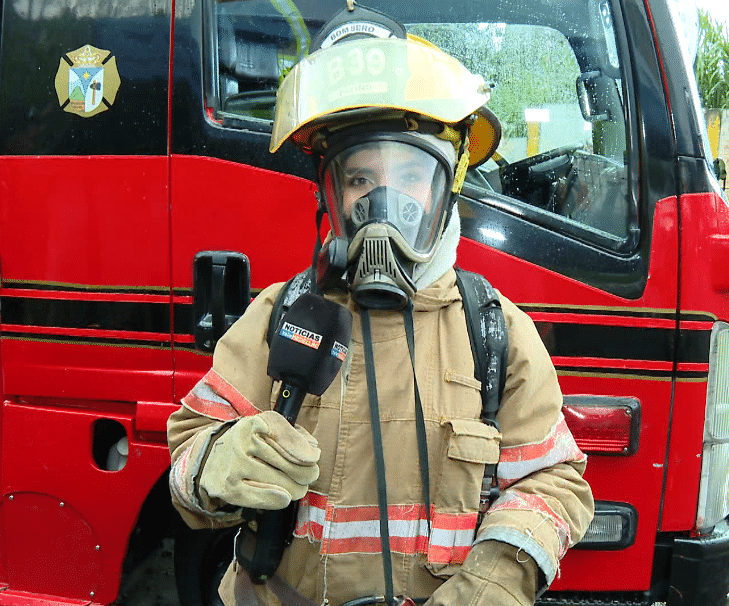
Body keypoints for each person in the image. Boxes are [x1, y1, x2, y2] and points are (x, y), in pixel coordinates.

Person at [168, 6, 594, 605]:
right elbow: (187, 458)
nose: (384, 209)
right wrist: (215, 464)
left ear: (447, 190)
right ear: (333, 194)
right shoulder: (282, 316)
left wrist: (491, 585)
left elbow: (554, 483)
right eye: (362, 180)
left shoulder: (492, 332)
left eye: (409, 178)